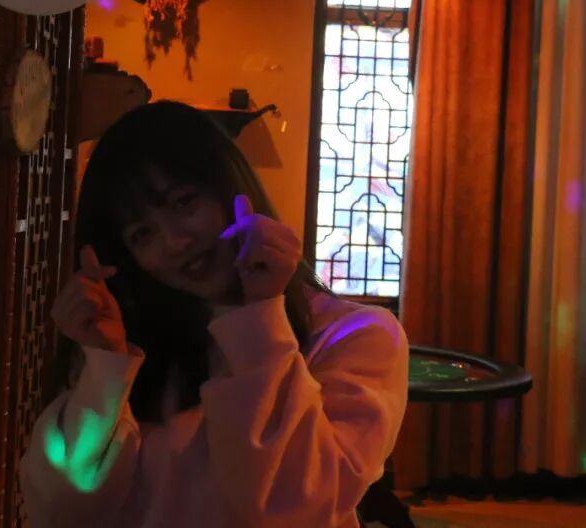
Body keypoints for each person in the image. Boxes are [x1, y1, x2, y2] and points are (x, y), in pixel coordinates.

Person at [20, 101, 409, 528]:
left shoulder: (355, 334)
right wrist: (105, 366)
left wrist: (258, 316)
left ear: (230, 186)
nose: (174, 241)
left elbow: (294, 507)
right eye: (142, 233)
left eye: (184, 203)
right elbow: (62, 512)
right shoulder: (131, 344)